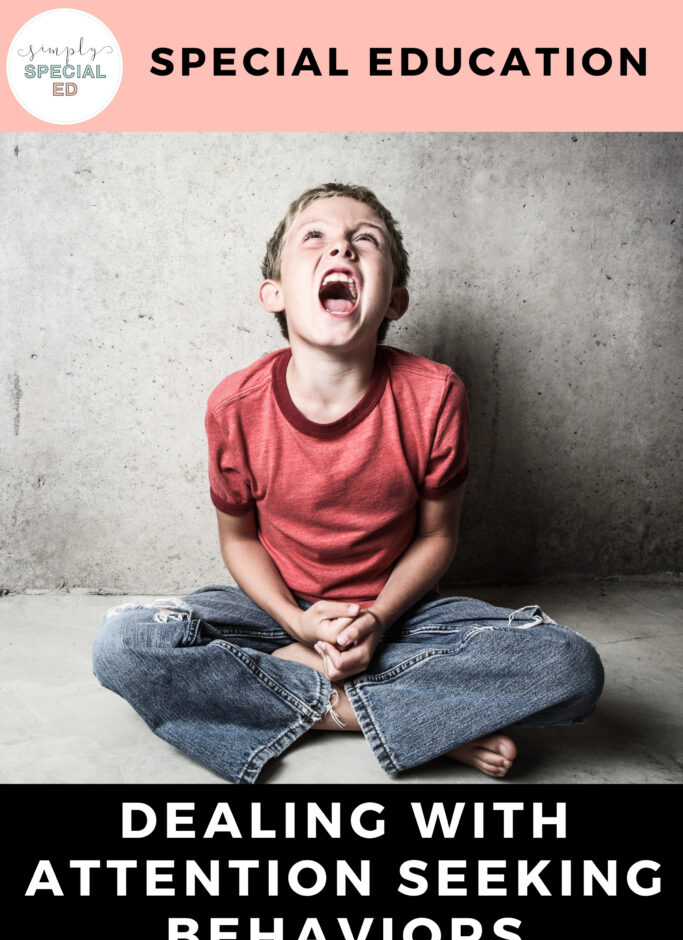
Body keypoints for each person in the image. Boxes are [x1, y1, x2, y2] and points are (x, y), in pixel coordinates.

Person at [93, 183, 603, 784]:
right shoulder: (236, 405)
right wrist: (297, 623)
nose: (342, 249)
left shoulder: (435, 394)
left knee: (569, 665)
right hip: (276, 614)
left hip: (401, 617)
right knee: (124, 644)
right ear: (274, 294)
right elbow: (239, 541)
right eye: (315, 237)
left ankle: (312, 694)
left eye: (366, 240)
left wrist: (379, 621)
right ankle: (402, 716)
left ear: (395, 300)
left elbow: (437, 536)